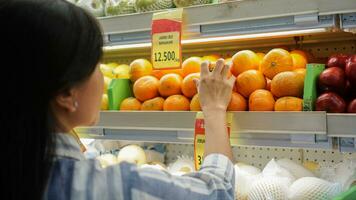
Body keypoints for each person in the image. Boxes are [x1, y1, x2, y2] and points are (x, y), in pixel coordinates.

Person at [1, 0, 236, 199]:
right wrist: (214, 108)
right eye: (97, 65)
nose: (102, 77)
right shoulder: (109, 188)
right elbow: (216, 192)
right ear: (65, 94)